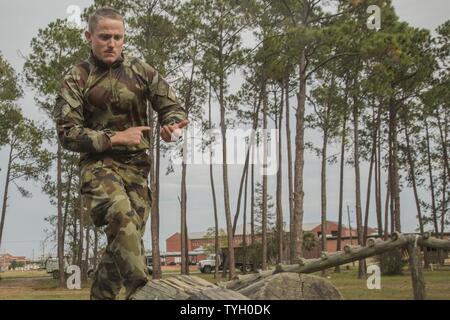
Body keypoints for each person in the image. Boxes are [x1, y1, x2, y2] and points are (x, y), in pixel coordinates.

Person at [53, 6, 189, 300]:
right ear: (89, 36)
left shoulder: (141, 71)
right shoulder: (76, 78)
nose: (111, 43)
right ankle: (143, 292)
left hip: (137, 169)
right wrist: (114, 138)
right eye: (104, 36)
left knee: (125, 243)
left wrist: (171, 128)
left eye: (118, 37)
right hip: (98, 166)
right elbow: (67, 132)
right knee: (120, 216)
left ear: (124, 38)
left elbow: (172, 108)